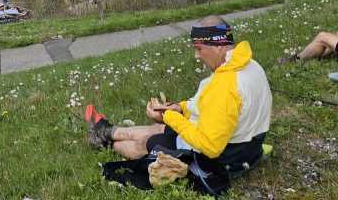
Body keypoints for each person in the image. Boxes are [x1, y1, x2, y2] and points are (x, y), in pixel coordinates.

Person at [86, 15, 272, 171]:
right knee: (159, 129)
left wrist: (171, 117)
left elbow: (210, 146)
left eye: (199, 49)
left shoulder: (225, 84)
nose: (197, 56)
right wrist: (179, 109)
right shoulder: (250, 65)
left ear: (217, 46)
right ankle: (106, 130)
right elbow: (209, 107)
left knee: (147, 144)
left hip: (226, 158)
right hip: (249, 148)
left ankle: (108, 143)